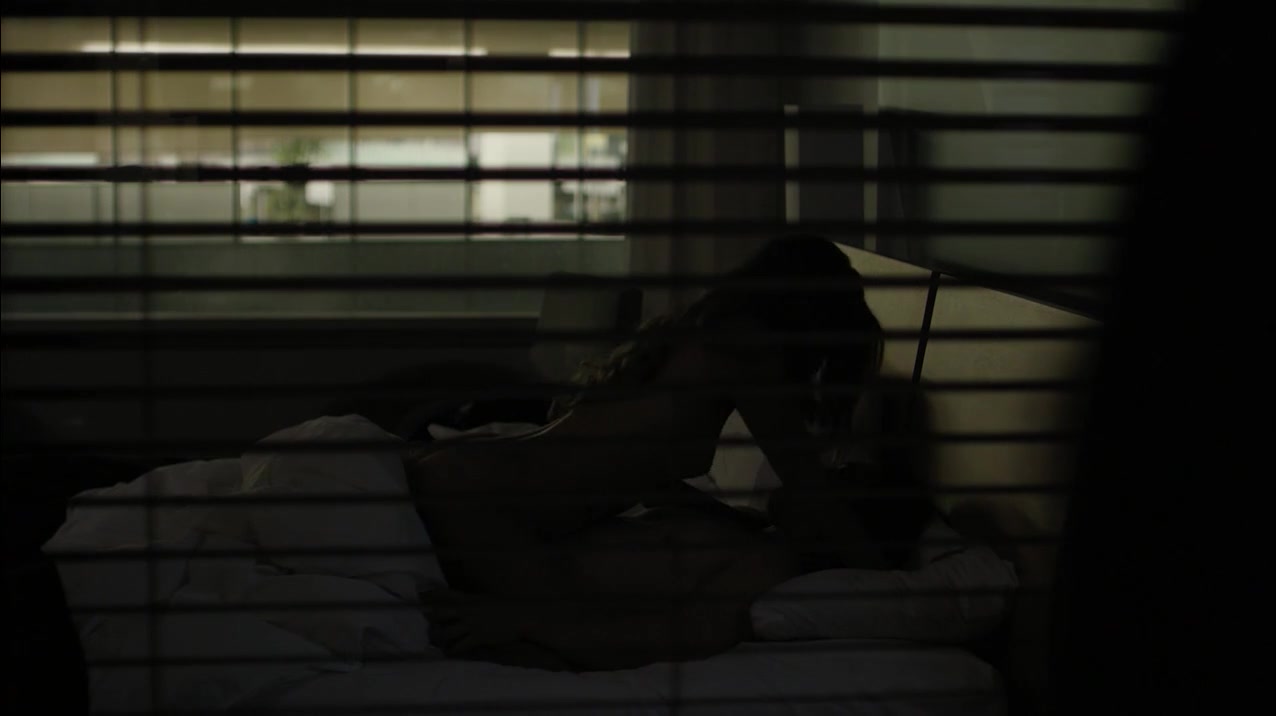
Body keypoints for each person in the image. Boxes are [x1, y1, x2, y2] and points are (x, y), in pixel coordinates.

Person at [406, 235, 931, 671]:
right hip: (487, 500)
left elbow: (637, 468)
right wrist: (885, 584)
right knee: (548, 648)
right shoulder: (746, 353)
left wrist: (723, 515)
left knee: (512, 638)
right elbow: (810, 487)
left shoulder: (704, 337)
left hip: (474, 477)